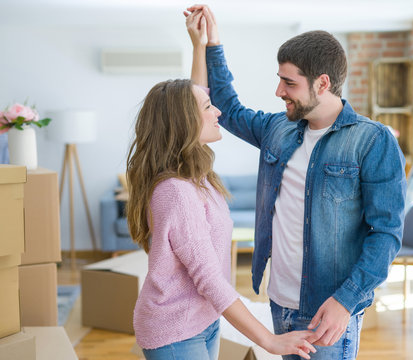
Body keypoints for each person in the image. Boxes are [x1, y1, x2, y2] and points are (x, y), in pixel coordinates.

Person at [185, 5, 406, 360]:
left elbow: (387, 235)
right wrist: (212, 44)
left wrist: (345, 301)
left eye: (289, 82)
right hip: (279, 300)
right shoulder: (278, 128)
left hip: (329, 311)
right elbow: (226, 105)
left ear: (322, 82)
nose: (278, 91)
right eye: (280, 78)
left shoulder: (373, 141)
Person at [126, 54, 316, 360]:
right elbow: (210, 279)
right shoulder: (176, 191)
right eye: (206, 107)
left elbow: (192, 95)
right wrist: (269, 341)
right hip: (176, 331)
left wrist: (200, 44)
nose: (217, 111)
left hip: (203, 320)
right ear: (184, 122)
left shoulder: (193, 174)